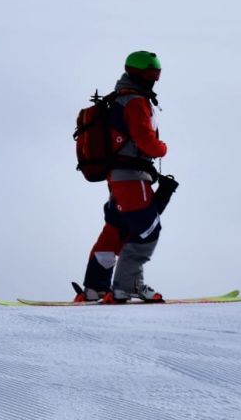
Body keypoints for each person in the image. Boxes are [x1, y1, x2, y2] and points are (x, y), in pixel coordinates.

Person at [75, 50, 179, 303]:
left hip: (117, 177)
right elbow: (146, 140)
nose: (154, 79)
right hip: (132, 176)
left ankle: (95, 287)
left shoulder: (120, 98)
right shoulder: (135, 101)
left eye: (157, 74)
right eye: (151, 74)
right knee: (147, 229)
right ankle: (127, 286)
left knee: (117, 230)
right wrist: (162, 148)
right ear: (139, 74)